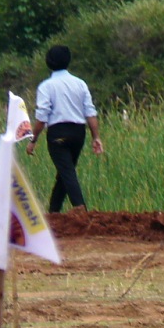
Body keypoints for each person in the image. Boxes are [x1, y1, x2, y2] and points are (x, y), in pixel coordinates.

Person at [26, 45, 103, 213]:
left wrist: (33, 139)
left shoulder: (46, 86)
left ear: (49, 62)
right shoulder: (80, 84)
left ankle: (80, 209)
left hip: (58, 134)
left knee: (67, 172)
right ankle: (53, 212)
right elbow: (90, 112)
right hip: (78, 133)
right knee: (65, 172)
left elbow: (42, 117)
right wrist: (96, 137)